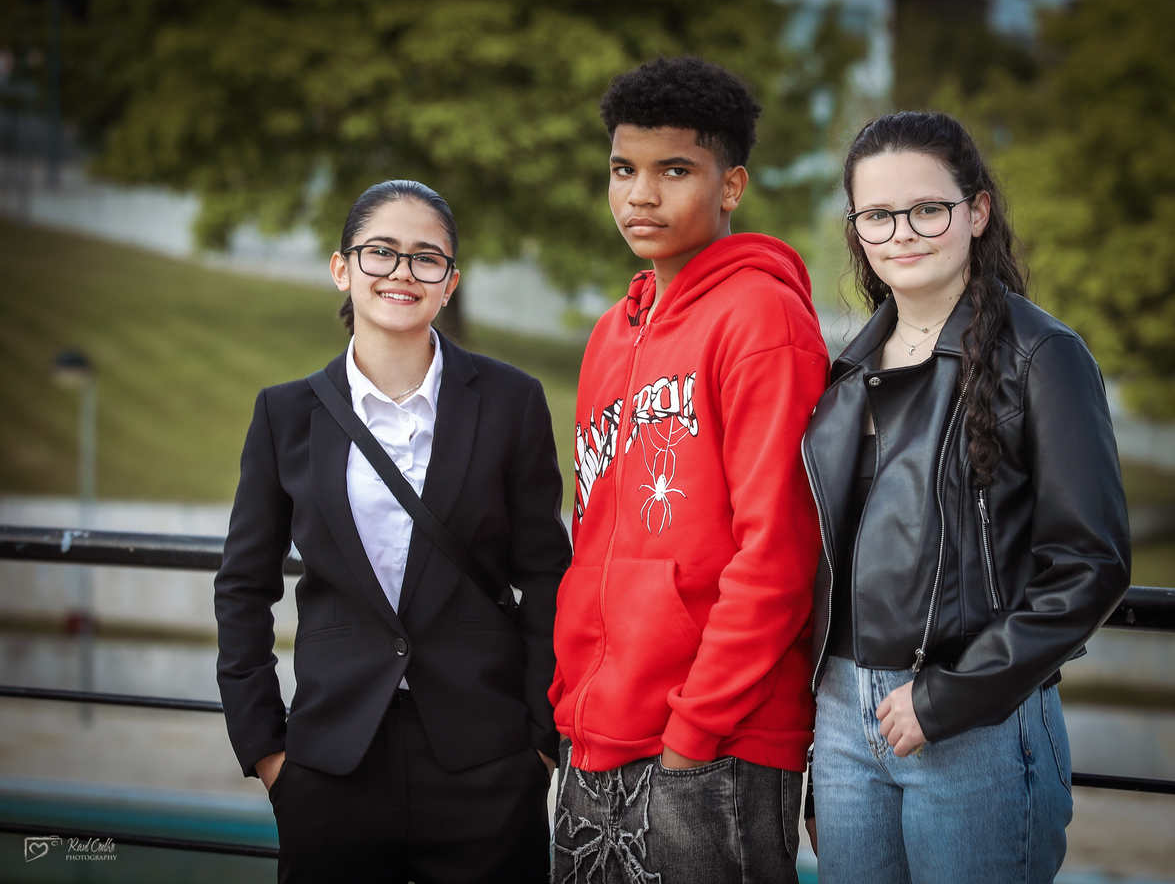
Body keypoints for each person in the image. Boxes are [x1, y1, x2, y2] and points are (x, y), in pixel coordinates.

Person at [802, 111, 1131, 882]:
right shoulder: (846, 371)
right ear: (857, 228)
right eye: (878, 215)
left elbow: (1090, 564)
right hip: (844, 717)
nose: (902, 234)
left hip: (977, 719)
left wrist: (946, 698)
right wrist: (825, 742)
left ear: (976, 211)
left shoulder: (1042, 355)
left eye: (928, 209)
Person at [214, 179, 572, 884]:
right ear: (342, 268)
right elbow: (243, 586)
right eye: (380, 252)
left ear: (450, 281)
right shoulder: (284, 414)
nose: (402, 272)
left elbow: (546, 574)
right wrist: (264, 748)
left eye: (425, 258)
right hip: (330, 765)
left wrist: (541, 738)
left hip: (487, 762)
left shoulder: (512, 400)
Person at [549, 56, 829, 883]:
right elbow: (593, 530)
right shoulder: (612, 331)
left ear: (731, 184)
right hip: (594, 739)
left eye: (674, 170)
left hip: (713, 750)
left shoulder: (764, 317)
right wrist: (571, 702)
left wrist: (691, 735)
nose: (640, 195)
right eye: (623, 170)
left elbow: (779, 551)